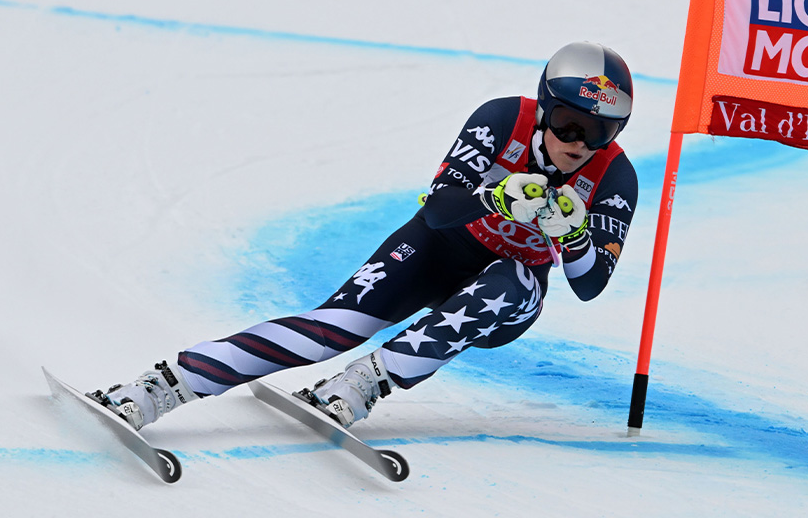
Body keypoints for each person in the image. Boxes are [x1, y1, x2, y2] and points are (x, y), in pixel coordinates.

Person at [93, 41, 640, 431]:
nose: (579, 142)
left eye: (599, 131)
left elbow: (589, 285)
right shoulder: (503, 119)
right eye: (569, 121)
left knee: (515, 280)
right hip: (437, 247)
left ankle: (359, 387)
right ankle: (159, 387)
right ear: (545, 106)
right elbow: (442, 208)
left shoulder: (615, 176)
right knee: (332, 329)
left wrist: (573, 239)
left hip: (504, 297)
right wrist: (495, 198)